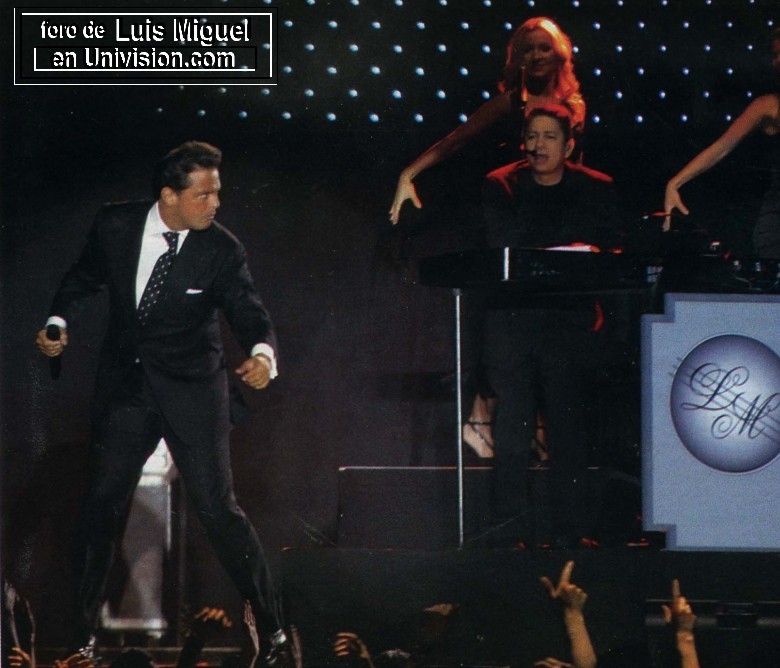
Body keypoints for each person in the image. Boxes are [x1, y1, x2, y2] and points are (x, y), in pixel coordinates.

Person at [35, 141, 292, 665]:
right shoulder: (116, 225)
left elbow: (248, 309)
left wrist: (262, 354)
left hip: (194, 389)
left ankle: (272, 631)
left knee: (219, 510)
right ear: (169, 196)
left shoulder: (222, 249)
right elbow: (83, 276)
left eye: (218, 193)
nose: (215, 204)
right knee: (101, 506)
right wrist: (58, 322)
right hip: (127, 390)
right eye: (204, 195)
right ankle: (82, 639)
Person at [388, 17, 586, 459]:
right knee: (500, 323)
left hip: (554, 224)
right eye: (527, 49)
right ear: (517, 59)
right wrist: (409, 173)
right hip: (507, 219)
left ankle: (533, 424)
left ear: (559, 54)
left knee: (547, 331)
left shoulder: (574, 105)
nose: (536, 56)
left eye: (544, 48)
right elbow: (455, 141)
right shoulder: (509, 104)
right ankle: (485, 416)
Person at [480, 104, 622, 547]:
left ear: (569, 146)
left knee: (568, 427)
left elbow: (608, 250)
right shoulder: (502, 184)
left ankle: (570, 534)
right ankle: (509, 531)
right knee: (513, 427)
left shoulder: (595, 188)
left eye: (549, 137)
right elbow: (504, 245)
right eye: (532, 136)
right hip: (512, 321)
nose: (538, 145)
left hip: (567, 320)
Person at [664, 28, 780, 256]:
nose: (777, 61)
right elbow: (721, 147)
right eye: (776, 55)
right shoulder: (768, 106)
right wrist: (675, 183)